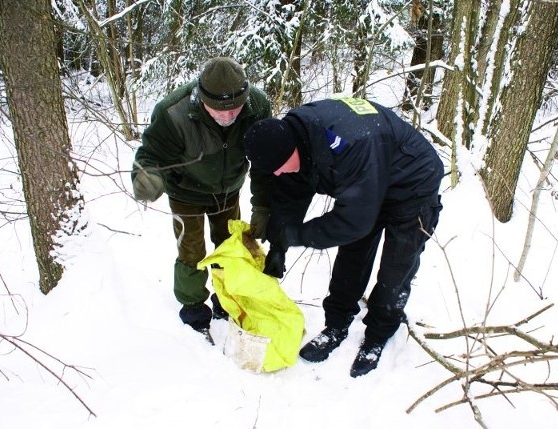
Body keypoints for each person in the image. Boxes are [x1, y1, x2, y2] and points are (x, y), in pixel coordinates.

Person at [243, 97, 443, 377]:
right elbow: (290, 195)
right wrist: (279, 244)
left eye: (279, 166)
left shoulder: (348, 144)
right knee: (353, 257)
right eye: (272, 170)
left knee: (395, 270)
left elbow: (353, 221)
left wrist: (298, 234)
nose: (277, 172)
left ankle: (377, 336)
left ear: (293, 149)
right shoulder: (291, 140)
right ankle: (336, 325)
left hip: (412, 185)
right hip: (365, 180)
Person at [131, 57, 272, 343]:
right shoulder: (173, 112)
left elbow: (264, 160)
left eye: (234, 108)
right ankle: (194, 310)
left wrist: (264, 206)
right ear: (201, 98)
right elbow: (150, 154)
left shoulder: (257, 106)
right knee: (192, 252)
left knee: (230, 247)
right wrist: (147, 177)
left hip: (229, 190)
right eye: (219, 110)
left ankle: (226, 298)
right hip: (186, 194)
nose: (228, 116)